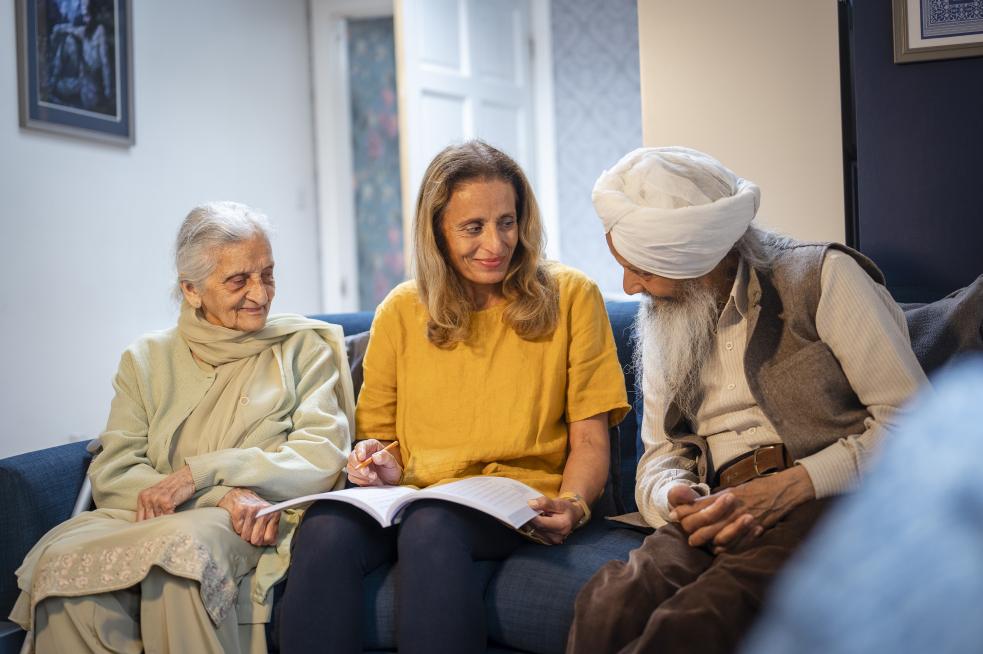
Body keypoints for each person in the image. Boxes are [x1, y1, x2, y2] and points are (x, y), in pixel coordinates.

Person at [565, 147, 927, 654]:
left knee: (694, 621)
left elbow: (918, 430)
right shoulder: (663, 318)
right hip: (715, 502)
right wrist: (674, 496)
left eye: (642, 269)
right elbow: (661, 454)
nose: (629, 286)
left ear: (692, 256)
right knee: (608, 605)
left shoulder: (824, 278)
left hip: (824, 503)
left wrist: (790, 486)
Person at [278, 140, 630, 654]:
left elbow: (591, 439)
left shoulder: (572, 296)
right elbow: (380, 440)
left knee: (432, 525)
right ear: (437, 232)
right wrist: (376, 462)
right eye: (473, 227)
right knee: (326, 529)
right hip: (415, 496)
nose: (496, 243)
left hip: (516, 499)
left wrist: (574, 504)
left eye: (506, 222)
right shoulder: (400, 310)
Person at [9, 202, 354, 653]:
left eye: (267, 274)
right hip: (147, 516)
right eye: (239, 280)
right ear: (191, 291)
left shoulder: (303, 349)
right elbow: (114, 471)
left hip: (253, 521)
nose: (261, 293)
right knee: (62, 575)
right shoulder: (145, 359)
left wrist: (200, 474)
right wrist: (217, 494)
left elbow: (321, 457)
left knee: (179, 557)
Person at [741, 357, 983, 654]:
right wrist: (672, 491)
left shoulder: (962, 407)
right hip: (700, 500)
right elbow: (669, 450)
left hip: (808, 489)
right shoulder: (680, 337)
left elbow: (901, 418)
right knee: (665, 579)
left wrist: (795, 484)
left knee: (696, 612)